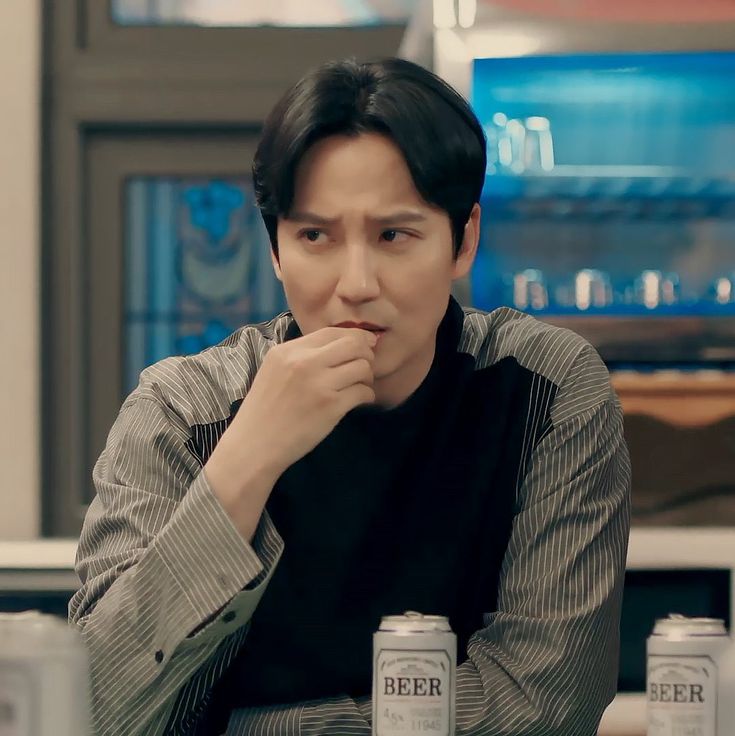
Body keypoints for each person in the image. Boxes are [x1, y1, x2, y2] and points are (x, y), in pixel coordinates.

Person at [70, 57, 631, 736]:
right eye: (315, 236)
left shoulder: (544, 389)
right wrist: (242, 464)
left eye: (393, 235)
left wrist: (255, 728)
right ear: (275, 251)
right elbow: (94, 710)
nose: (355, 283)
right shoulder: (181, 411)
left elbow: (545, 704)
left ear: (463, 240)